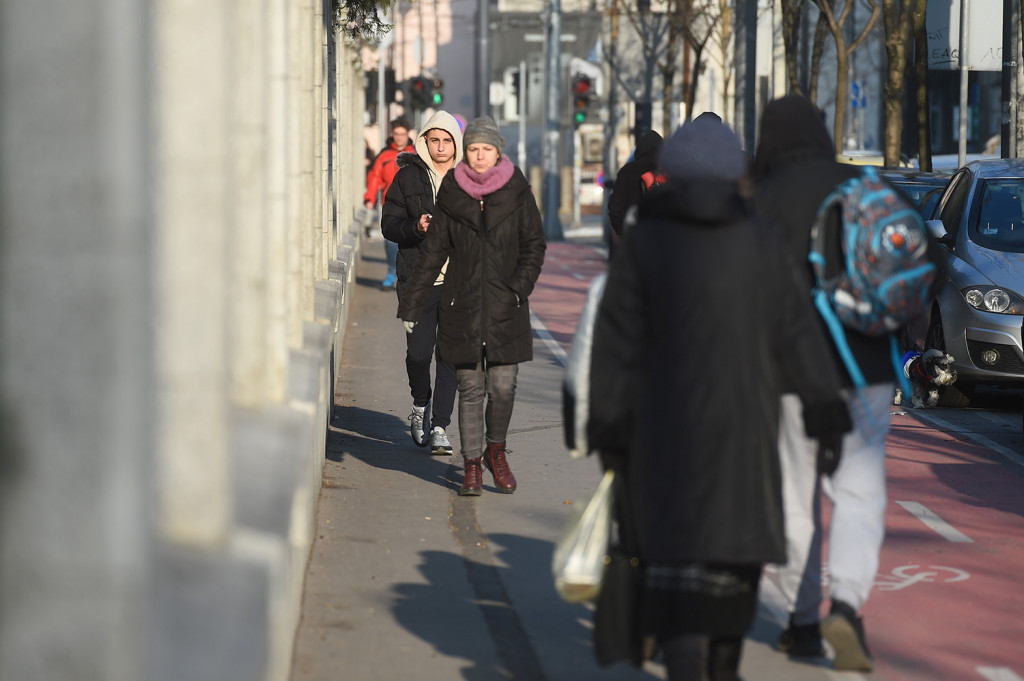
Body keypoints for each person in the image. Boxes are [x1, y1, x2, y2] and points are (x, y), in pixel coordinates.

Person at [588, 117, 851, 681]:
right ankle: (725, 662)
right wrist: (824, 412)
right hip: (744, 427)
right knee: (733, 555)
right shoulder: (761, 241)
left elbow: (615, 342)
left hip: (661, 430)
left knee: (674, 564)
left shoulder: (645, 241)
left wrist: (608, 427)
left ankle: (686, 660)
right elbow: (798, 333)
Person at [752, 93, 894, 672]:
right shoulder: (864, 186)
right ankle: (850, 605)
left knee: (795, 495)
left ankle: (802, 622)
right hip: (867, 369)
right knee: (859, 491)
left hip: (787, 371)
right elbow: (925, 257)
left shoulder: (760, 198)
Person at [397, 116, 546, 496]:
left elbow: (534, 245)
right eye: (475, 150)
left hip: (505, 306)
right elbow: (434, 252)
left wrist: (518, 289)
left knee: (503, 385)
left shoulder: (517, 190)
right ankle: (473, 466)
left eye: (487, 150)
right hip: (459, 303)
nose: (479, 157)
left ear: (498, 152)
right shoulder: (453, 189)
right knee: (470, 387)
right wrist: (413, 303)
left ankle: (497, 452)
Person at [381, 110, 463, 453]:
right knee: (418, 355)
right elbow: (389, 225)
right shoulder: (406, 178)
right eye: (435, 140)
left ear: (456, 144)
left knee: (450, 358)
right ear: (424, 142)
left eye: (447, 141)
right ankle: (420, 404)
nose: (441, 147)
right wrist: (416, 228)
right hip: (418, 279)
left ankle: (441, 426)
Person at [365, 117, 413, 290]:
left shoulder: (415, 154)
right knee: (391, 241)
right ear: (392, 134)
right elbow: (374, 177)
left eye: (402, 134)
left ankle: (408, 275)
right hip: (390, 204)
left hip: (412, 206)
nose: (399, 137)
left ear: (408, 134)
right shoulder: (384, 155)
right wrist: (370, 198)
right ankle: (392, 272)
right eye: (396, 134)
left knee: (411, 240)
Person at [606, 130, 664, 249]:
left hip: (634, 238)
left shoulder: (627, 172)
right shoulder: (667, 171)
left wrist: (623, 233)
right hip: (662, 240)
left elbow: (615, 208)